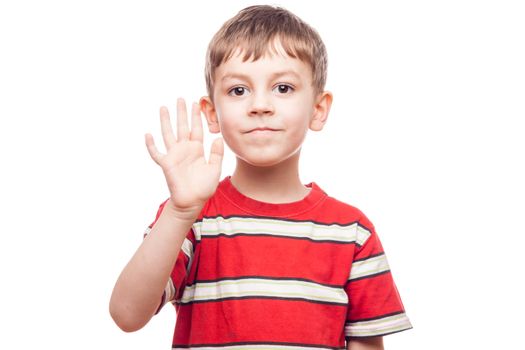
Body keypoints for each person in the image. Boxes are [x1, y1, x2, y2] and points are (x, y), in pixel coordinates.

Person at [109, 4, 412, 350]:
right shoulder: (192, 216)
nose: (260, 105)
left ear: (318, 108)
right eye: (239, 90)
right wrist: (179, 213)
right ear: (212, 112)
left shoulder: (352, 232)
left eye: (283, 88)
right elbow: (127, 314)